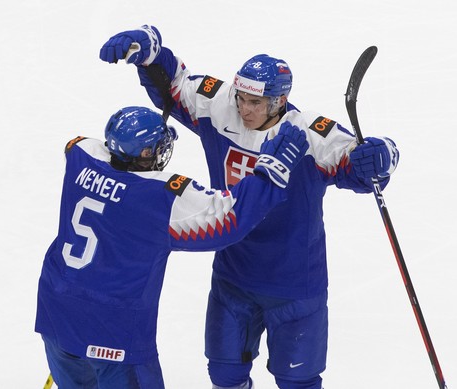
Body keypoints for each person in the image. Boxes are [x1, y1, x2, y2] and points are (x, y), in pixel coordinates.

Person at [99, 26, 400, 389]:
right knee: (224, 375)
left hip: (294, 284)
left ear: (280, 100)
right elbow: (173, 86)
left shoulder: (309, 134)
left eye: (256, 103)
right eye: (242, 98)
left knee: (299, 382)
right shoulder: (220, 103)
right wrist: (150, 53)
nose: (245, 108)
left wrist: (381, 156)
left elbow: (359, 164)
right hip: (234, 277)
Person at [34, 105, 309, 389]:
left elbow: (82, 147)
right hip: (113, 331)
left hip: (56, 314)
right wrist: (270, 173)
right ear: (145, 154)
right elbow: (229, 218)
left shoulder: (80, 155)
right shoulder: (158, 198)